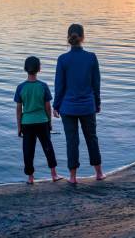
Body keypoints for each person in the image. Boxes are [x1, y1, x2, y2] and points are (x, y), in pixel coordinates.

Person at [53, 24, 105, 184]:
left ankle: (73, 177)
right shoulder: (91, 57)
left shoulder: (62, 59)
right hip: (87, 105)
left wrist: (56, 105)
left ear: (68, 38)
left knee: (72, 141)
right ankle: (99, 173)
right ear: (83, 37)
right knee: (92, 138)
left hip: (67, 107)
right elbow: (96, 83)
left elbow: (59, 85)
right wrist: (97, 103)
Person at [15, 56, 62, 184]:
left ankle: (30, 178)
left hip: (27, 123)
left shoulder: (21, 87)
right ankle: (54, 174)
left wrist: (19, 127)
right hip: (42, 121)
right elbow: (48, 107)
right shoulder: (43, 86)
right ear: (39, 69)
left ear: (25, 69)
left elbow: (19, 110)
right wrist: (49, 122)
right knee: (48, 147)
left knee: (28, 150)